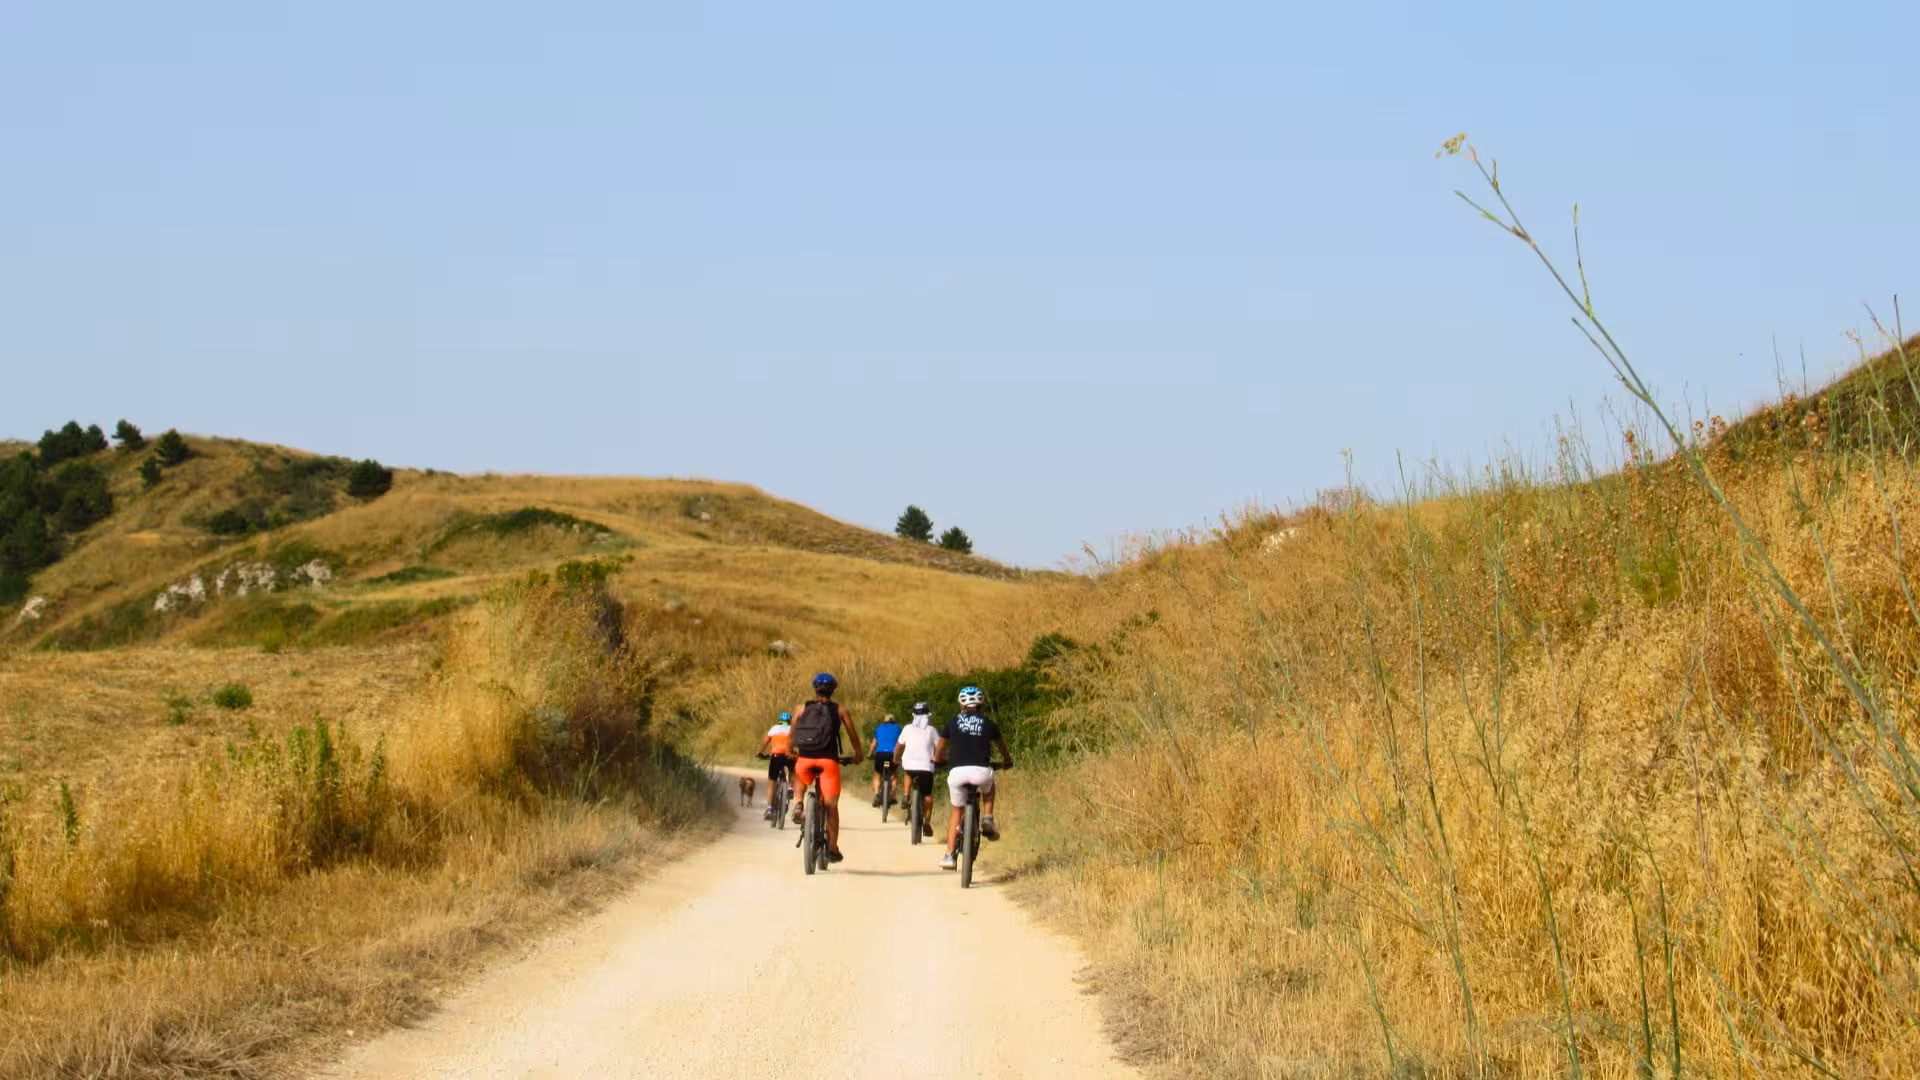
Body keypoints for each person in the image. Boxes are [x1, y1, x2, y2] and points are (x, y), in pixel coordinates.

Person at [933, 685, 1014, 870]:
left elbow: (941, 747)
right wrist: (1007, 760)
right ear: (981, 704)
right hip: (981, 772)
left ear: (961, 703)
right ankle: (987, 817)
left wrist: (937, 760)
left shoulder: (953, 722)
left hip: (957, 773)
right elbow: (1002, 747)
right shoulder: (988, 723)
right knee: (989, 787)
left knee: (956, 812)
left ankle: (949, 856)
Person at [787, 672, 866, 862]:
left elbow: (791, 734)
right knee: (831, 806)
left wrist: (791, 751)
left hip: (805, 758)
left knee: (799, 776)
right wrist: (858, 755)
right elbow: (854, 737)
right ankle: (831, 847)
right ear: (833, 689)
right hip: (828, 762)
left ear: (815, 689)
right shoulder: (840, 710)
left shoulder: (801, 708)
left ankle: (798, 803)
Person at [892, 701, 939, 837]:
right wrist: (939, 758)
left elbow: (899, 746)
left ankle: (906, 796)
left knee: (908, 771)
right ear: (928, 715)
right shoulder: (931, 730)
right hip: (926, 767)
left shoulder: (907, 728)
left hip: (910, 765)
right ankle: (927, 822)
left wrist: (896, 758)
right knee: (928, 796)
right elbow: (939, 747)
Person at [756, 712, 795, 820]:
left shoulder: (775, 728)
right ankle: (791, 788)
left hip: (776, 756)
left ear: (779, 721)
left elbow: (765, 741)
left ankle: (769, 809)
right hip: (789, 755)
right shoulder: (793, 729)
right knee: (792, 770)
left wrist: (759, 752)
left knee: (771, 782)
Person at [868, 713, 903, 807]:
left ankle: (876, 795)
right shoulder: (898, 728)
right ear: (894, 721)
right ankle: (893, 797)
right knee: (894, 775)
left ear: (885, 721)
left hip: (880, 754)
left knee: (877, 774)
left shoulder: (879, 728)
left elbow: (874, 744)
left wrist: (869, 754)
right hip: (893, 754)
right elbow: (901, 743)